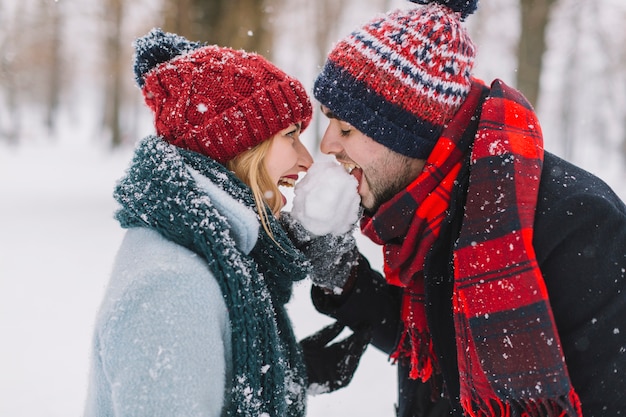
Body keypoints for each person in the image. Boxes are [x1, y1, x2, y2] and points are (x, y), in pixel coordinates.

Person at [281, 1, 626, 416]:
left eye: (347, 128)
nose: (327, 145)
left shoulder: (579, 225)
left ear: (408, 135)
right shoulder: (430, 210)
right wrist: (345, 278)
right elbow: (436, 343)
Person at [83, 28, 315, 417]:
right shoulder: (170, 287)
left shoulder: (207, 255)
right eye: (290, 135)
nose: (306, 159)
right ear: (239, 145)